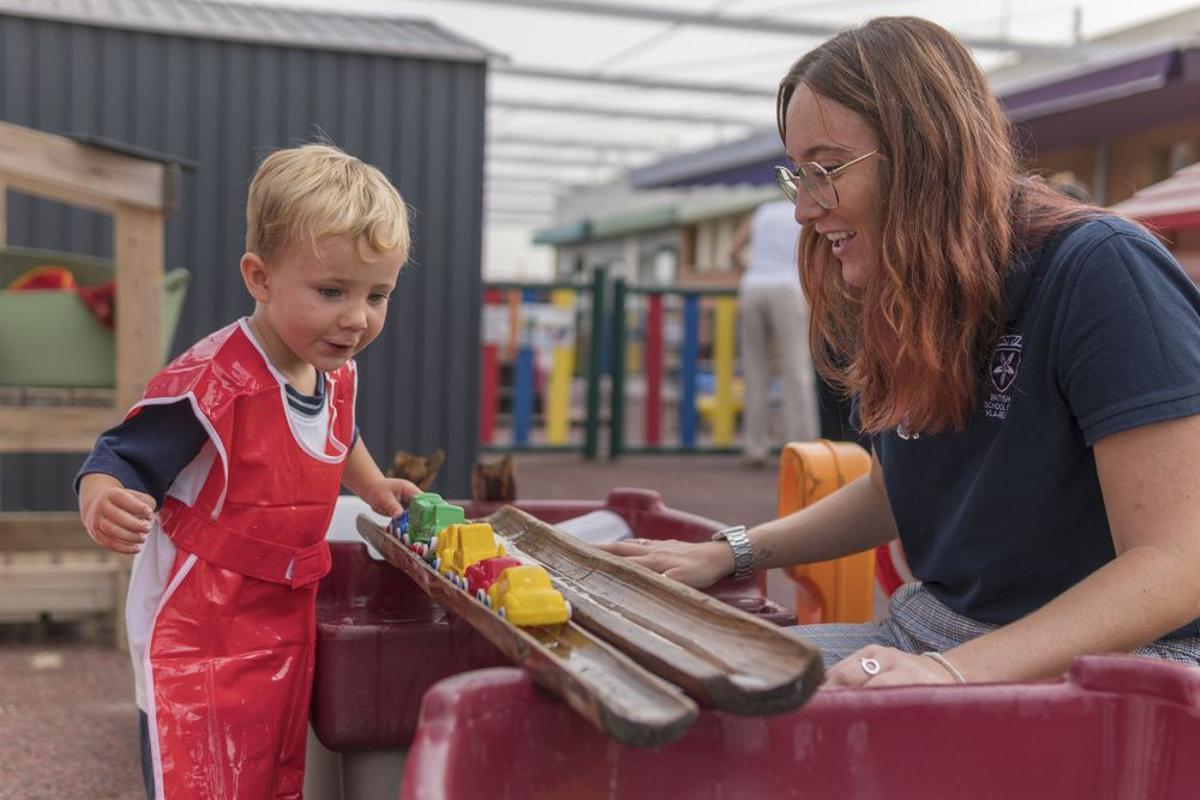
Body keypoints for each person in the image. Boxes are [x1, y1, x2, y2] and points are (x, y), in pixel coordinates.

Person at [600, 16, 1200, 689]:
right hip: (932, 633)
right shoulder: (904, 288)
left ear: (925, 154)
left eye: (826, 169)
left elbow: (1176, 566)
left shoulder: (1099, 270)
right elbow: (895, 493)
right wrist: (731, 552)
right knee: (653, 673)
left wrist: (948, 674)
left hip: (1112, 673)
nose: (805, 209)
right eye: (799, 175)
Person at [76, 143, 420, 798]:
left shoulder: (334, 370)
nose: (357, 317)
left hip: (281, 615)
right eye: (332, 291)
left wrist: (372, 485)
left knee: (268, 769)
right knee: (199, 774)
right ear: (260, 278)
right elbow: (121, 451)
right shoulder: (216, 381)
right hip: (198, 627)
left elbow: (337, 435)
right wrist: (103, 496)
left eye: (379, 295)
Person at [729, 199, 820, 466]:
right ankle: (802, 449)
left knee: (755, 370)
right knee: (796, 371)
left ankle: (754, 447)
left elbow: (733, 251)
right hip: (787, 286)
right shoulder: (807, 209)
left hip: (753, 286)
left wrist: (754, 271)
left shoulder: (762, 211)